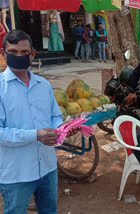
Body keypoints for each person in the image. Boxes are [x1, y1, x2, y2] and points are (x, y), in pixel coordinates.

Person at [0, 30, 79, 214]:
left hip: (48, 168)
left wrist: (62, 128)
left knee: (49, 210)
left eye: (23, 52)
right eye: (12, 52)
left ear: (32, 54)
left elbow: (55, 115)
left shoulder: (43, 85)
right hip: (16, 173)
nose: (18, 56)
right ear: (3, 54)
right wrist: (36, 135)